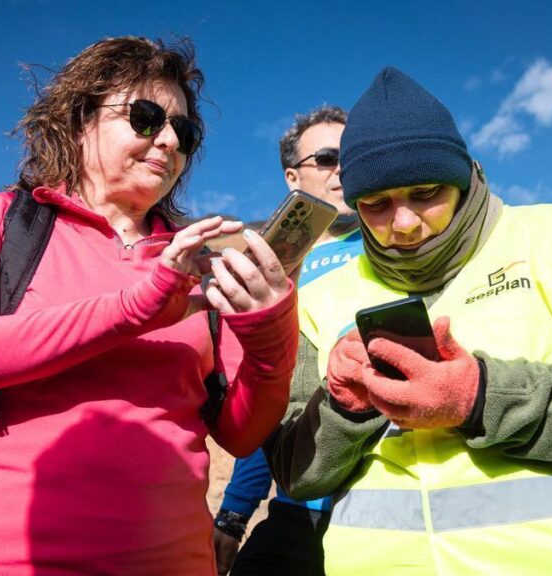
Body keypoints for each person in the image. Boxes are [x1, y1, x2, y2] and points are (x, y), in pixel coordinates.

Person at [0, 36, 299, 575]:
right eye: (145, 117)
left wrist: (269, 327)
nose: (168, 142)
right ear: (78, 119)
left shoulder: (196, 262)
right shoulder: (0, 222)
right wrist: (135, 308)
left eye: (184, 132)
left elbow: (240, 431)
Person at [268, 67, 552, 575]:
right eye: (376, 205)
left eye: (425, 194)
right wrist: (345, 410)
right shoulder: (322, 295)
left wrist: (478, 397)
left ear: (463, 180)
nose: (403, 223)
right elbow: (299, 474)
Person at [213, 105, 361, 576]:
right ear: (293, 179)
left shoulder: (404, 246)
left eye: (353, 154)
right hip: (300, 504)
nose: (343, 169)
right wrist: (234, 515)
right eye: (326, 158)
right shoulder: (273, 274)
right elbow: (273, 402)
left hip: (381, 498)